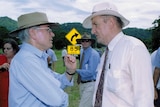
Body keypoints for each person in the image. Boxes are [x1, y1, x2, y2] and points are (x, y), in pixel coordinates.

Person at [82, 2, 154, 107]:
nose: (93, 31)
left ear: (111, 23)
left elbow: (144, 99)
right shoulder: (105, 54)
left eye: (95, 24)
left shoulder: (134, 48)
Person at [9, 12, 76, 107]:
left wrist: (69, 72)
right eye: (48, 30)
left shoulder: (36, 58)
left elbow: (56, 82)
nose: (52, 34)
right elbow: (56, 99)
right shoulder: (26, 60)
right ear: (33, 33)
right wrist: (62, 97)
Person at [76, 33, 100, 107]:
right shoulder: (82, 52)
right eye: (83, 41)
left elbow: (91, 72)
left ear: (90, 42)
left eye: (87, 41)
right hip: (83, 83)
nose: (84, 42)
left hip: (91, 84)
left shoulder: (94, 54)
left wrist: (75, 70)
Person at [0, 38, 19, 107]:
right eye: (4, 48)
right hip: (2, 91)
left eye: (8, 49)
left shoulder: (19, 60)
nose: (5, 50)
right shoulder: (1, 58)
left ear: (14, 49)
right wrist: (1, 67)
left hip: (15, 91)